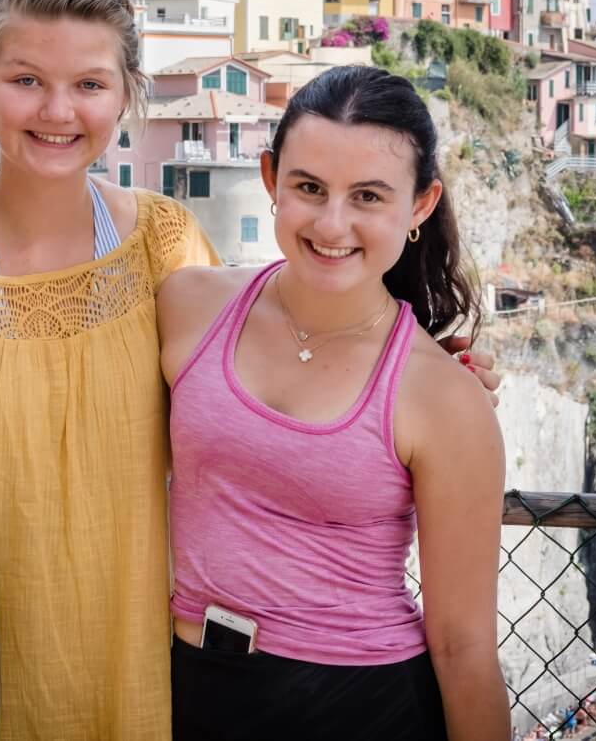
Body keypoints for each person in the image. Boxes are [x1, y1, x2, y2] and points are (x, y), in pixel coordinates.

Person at [0, 0, 502, 739]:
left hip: (161, 685)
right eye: (27, 79)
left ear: (126, 95)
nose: (58, 111)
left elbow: (274, 360)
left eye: (89, 84)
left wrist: (435, 382)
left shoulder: (162, 249)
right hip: (1, 682)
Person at [161, 65, 511, 740]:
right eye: (309, 188)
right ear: (270, 180)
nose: (332, 223)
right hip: (186, 686)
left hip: (361, 705)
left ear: (419, 205)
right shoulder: (188, 306)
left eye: (368, 197)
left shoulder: (442, 396)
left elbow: (464, 646)